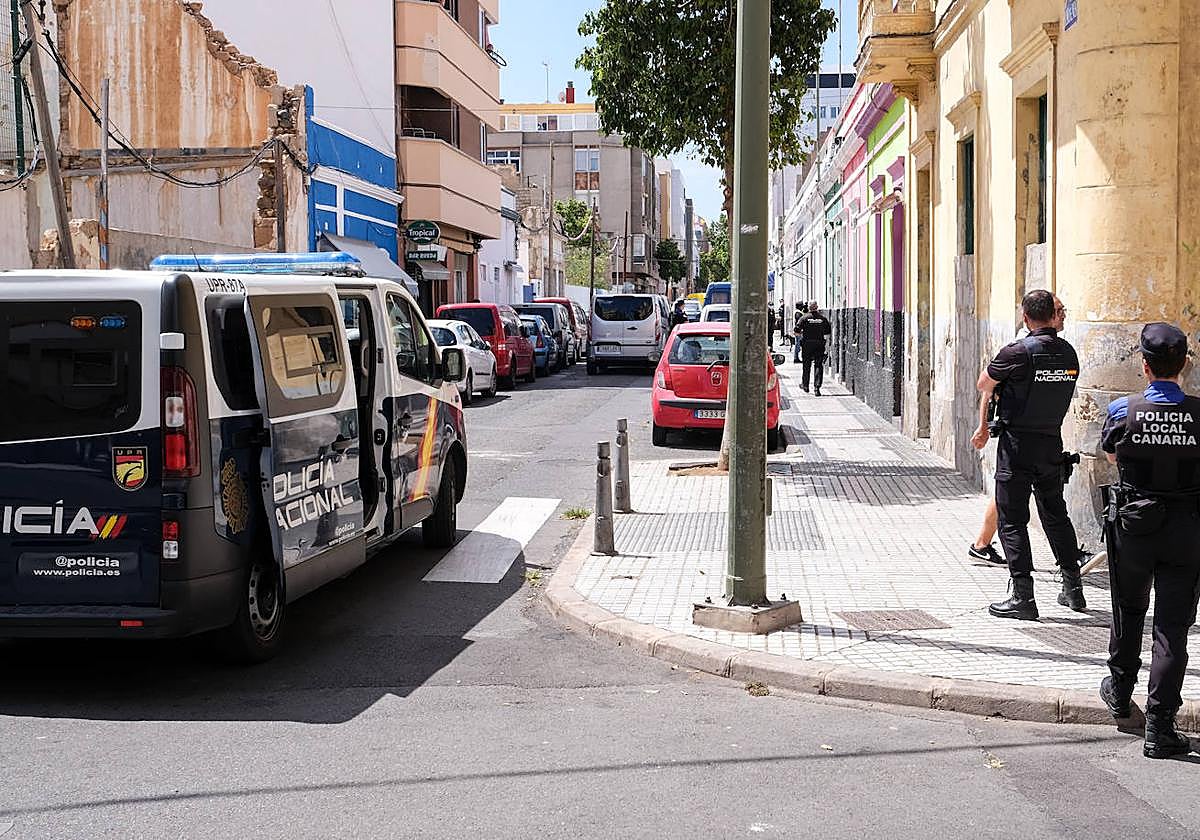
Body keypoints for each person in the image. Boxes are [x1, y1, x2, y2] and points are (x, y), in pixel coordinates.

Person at [1098, 322, 1200, 759]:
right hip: (1187, 531)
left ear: (1144, 366)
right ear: (1185, 366)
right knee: (1172, 629)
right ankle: (1160, 727)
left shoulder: (1124, 409)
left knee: (1128, 609)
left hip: (1134, 527)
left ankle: (1120, 691)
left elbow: (1110, 451)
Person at [973, 290, 1084, 619]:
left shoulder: (1017, 351)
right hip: (1051, 444)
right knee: (1056, 515)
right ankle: (1074, 590)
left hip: (1017, 446)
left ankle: (1023, 596)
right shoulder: (1069, 354)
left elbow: (984, 384)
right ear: (1052, 315)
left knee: (1013, 519)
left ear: (1025, 317)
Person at [968, 300, 1070, 566]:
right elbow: (987, 387)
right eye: (1060, 311)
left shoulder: (1058, 349)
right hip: (1033, 441)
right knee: (1029, 512)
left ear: (1027, 317)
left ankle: (1026, 591)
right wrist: (983, 426)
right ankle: (1068, 582)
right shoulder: (1024, 348)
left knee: (1019, 510)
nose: (1063, 316)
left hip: (1032, 443)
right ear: (1050, 316)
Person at [796, 301, 832, 395]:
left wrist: (801, 337)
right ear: (817, 307)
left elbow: (796, 331)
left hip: (807, 344)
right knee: (818, 365)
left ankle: (805, 386)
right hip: (819, 344)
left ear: (808, 307)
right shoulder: (822, 319)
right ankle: (817, 388)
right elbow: (828, 333)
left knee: (806, 365)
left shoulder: (804, 318)